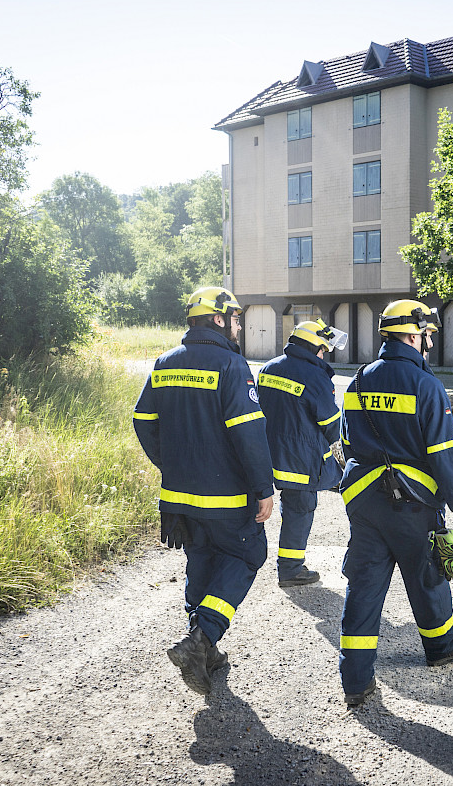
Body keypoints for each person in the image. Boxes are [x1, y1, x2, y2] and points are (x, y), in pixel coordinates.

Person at [337, 299, 453, 708]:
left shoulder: (359, 379)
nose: (429, 342)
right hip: (413, 504)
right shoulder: (425, 385)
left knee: (364, 585)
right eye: (427, 335)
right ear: (413, 334)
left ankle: (355, 678)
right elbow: (445, 452)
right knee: (429, 574)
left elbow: (346, 444)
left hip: (364, 500)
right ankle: (441, 647)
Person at [132, 286, 274, 697]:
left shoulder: (164, 363)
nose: (239, 326)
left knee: (202, 562)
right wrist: (263, 488)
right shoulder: (232, 365)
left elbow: (143, 421)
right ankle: (202, 639)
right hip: (227, 498)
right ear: (218, 319)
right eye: (235, 318)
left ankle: (204, 648)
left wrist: (170, 464)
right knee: (248, 555)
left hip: (179, 497)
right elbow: (249, 432)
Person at [257, 319, 347, 587]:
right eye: (322, 349)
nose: (323, 355)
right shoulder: (315, 376)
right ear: (312, 347)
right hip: (299, 460)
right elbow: (332, 425)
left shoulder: (268, 368)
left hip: (264, 455)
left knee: (260, 508)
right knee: (299, 510)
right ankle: (290, 569)